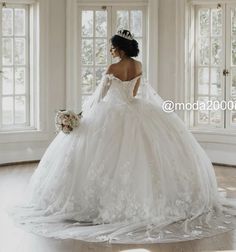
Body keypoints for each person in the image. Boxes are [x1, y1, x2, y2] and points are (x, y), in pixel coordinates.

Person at [8, 29, 236, 244]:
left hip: (111, 112)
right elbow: (135, 93)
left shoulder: (112, 69)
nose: (110, 51)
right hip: (136, 109)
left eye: (112, 47)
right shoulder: (138, 65)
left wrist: (80, 116)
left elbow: (99, 97)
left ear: (121, 49)